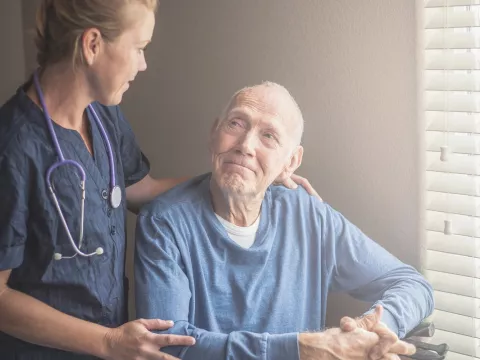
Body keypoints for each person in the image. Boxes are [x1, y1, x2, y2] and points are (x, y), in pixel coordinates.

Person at [0, 2, 317, 359]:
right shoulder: (12, 147)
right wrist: (107, 342)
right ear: (92, 45)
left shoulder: (103, 116)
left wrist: (245, 176)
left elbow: (140, 190)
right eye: (139, 48)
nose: (143, 64)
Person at [134, 81, 435, 360]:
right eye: (236, 123)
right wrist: (303, 348)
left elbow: (412, 284)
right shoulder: (164, 223)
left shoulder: (309, 217)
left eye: (269, 136)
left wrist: (371, 330)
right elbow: (167, 344)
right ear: (214, 133)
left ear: (290, 162)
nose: (246, 145)